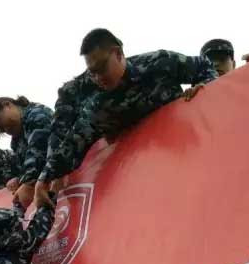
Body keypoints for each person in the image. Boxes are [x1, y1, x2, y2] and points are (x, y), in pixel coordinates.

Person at [34, 28, 218, 207]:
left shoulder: (158, 64)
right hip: (146, 176)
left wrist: (204, 88)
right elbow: (73, 145)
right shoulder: (97, 106)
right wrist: (44, 179)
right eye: (92, 72)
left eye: (102, 68)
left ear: (118, 54)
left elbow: (204, 66)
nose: (97, 77)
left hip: (187, 154)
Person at [0, 96, 54, 208]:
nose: (7, 130)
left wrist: (28, 183)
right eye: (2, 129)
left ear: (7, 105)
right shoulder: (16, 141)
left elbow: (39, 151)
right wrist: (18, 179)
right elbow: (23, 168)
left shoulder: (36, 114)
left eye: (4, 124)